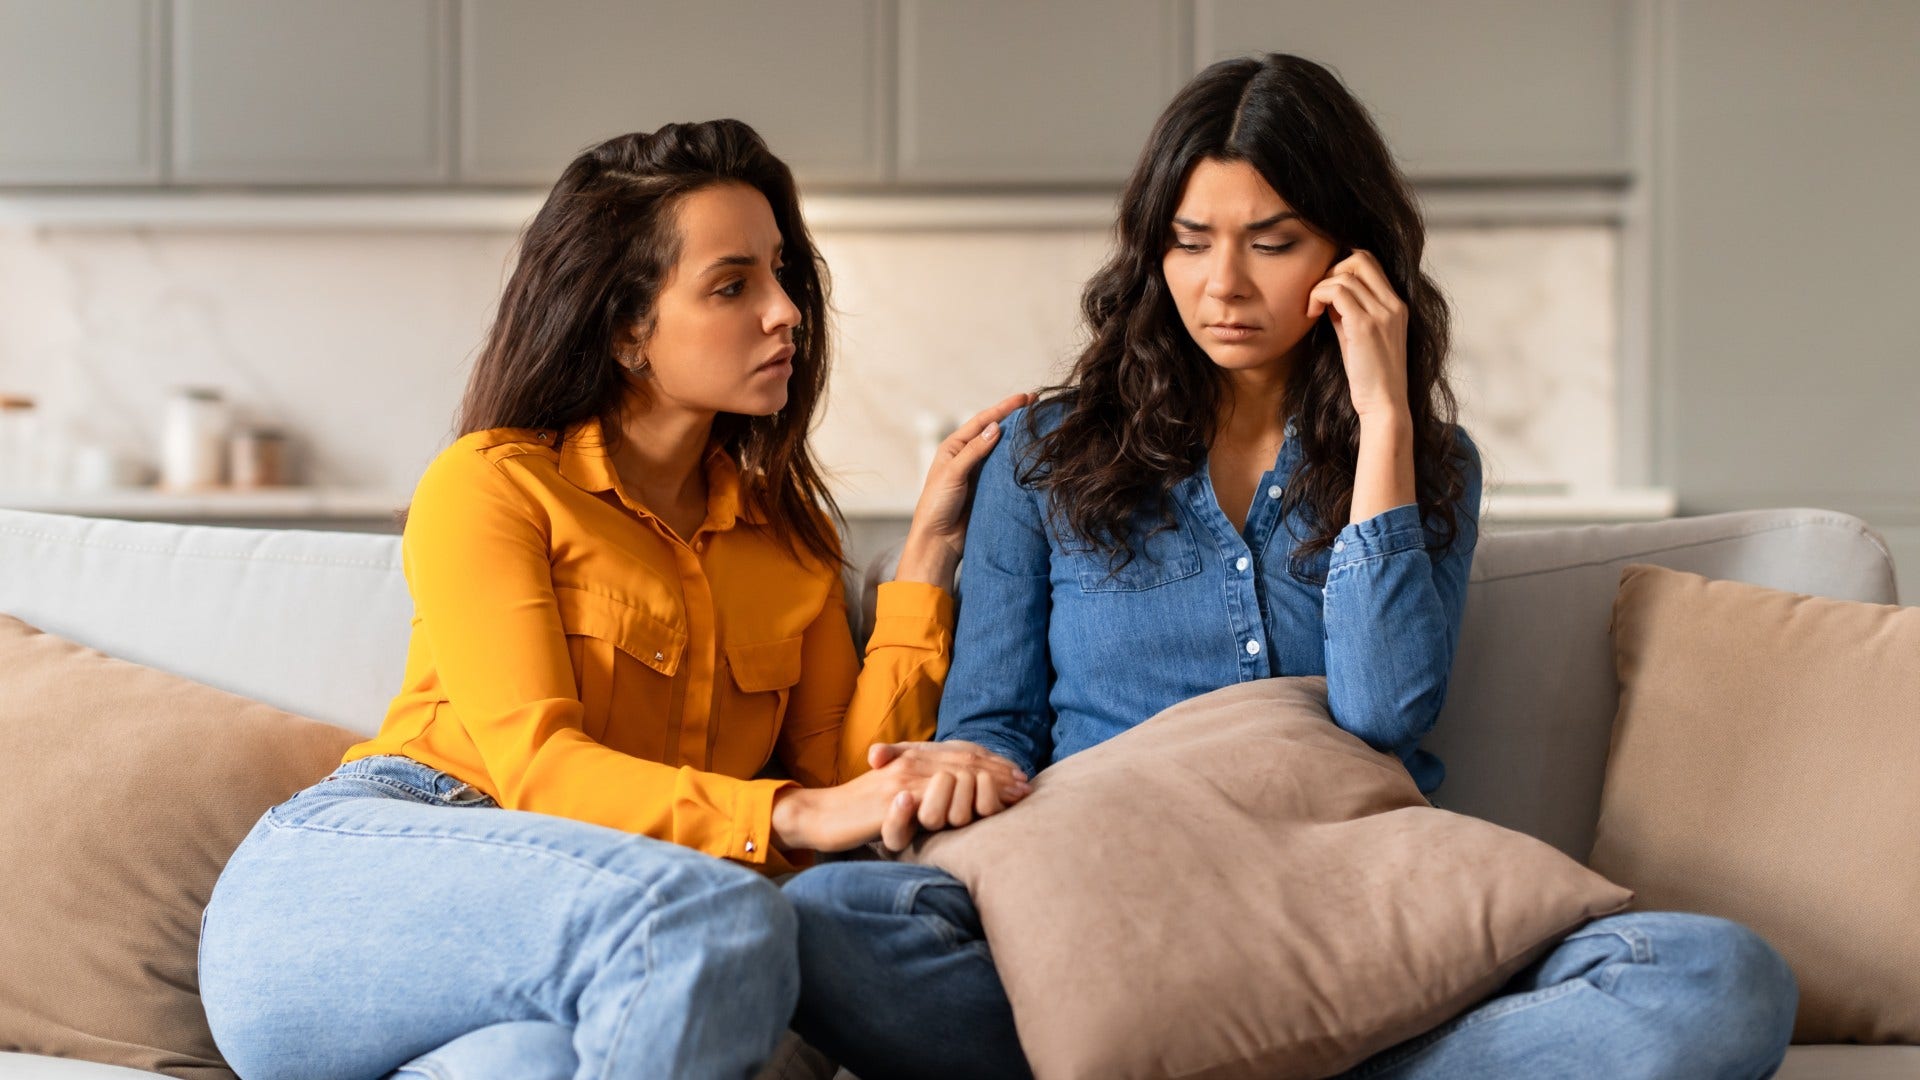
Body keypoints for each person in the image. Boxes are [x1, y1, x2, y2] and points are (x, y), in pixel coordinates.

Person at [784, 54, 1799, 1080]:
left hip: (1352, 905)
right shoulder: (1044, 455)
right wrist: (967, 766)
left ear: (1349, 257)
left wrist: (1388, 415)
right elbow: (994, 727)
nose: (1221, 286)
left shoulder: (1426, 465)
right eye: (1189, 243)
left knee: (1719, 979)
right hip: (1104, 897)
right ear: (1152, 253)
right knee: (826, 918)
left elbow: (1384, 708)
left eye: (1272, 244)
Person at [196, 119, 1029, 1080]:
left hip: (585, 951)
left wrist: (927, 556)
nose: (786, 311)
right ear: (629, 328)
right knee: (722, 916)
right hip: (358, 886)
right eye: (733, 285)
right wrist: (791, 814)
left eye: (783, 273)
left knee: (545, 1062)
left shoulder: (788, 545)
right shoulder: (494, 484)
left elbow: (851, 787)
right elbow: (540, 772)